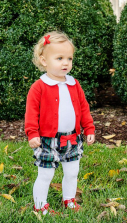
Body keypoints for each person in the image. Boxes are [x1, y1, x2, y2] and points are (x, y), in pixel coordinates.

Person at [25, 31, 95, 216]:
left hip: (72, 138)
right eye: (59, 58)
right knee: (46, 174)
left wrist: (89, 128)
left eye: (69, 58)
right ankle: (40, 205)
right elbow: (31, 113)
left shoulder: (74, 84)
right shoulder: (39, 87)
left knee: (72, 172)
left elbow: (84, 108)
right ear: (44, 60)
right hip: (48, 140)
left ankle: (69, 199)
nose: (66, 63)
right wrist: (32, 133)